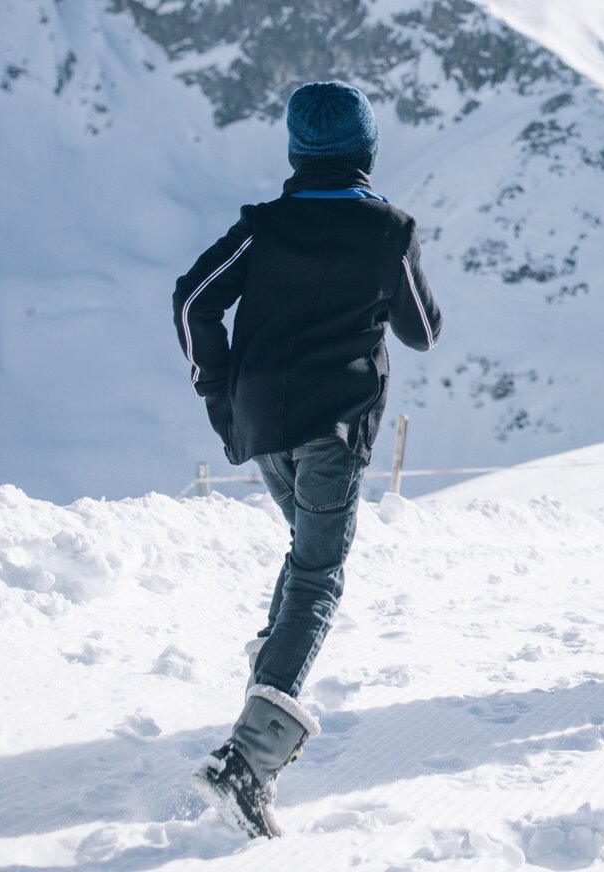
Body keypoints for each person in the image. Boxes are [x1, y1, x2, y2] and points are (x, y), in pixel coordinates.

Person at [171, 81, 443, 837]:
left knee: (305, 554)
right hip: (335, 425)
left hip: (261, 425)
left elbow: (195, 302)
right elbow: (422, 329)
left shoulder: (265, 227)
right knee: (320, 573)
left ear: (296, 152)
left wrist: (217, 391)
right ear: (367, 149)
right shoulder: (388, 229)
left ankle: (270, 665)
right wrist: (395, 268)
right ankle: (249, 758)